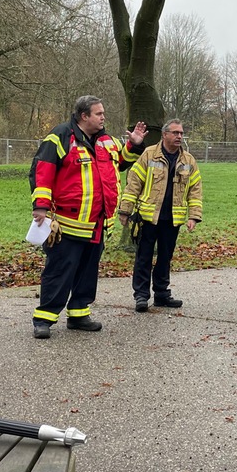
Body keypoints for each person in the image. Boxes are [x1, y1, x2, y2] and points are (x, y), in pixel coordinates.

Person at [29, 96, 146, 339]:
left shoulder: (107, 141)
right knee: (59, 271)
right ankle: (44, 319)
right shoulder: (60, 136)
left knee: (87, 272)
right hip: (67, 223)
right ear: (84, 116)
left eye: (103, 113)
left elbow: (121, 162)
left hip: (98, 224)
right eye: (98, 114)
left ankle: (79, 313)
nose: (103, 117)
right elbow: (43, 170)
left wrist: (133, 145)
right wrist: (41, 206)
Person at [118, 119, 203, 312]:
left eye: (181, 133)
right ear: (164, 135)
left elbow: (195, 190)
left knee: (165, 257)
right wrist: (125, 210)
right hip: (148, 217)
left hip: (173, 219)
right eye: (175, 133)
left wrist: (194, 216)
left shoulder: (188, 161)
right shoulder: (149, 155)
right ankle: (141, 296)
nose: (179, 136)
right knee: (143, 257)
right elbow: (133, 184)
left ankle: (162, 294)